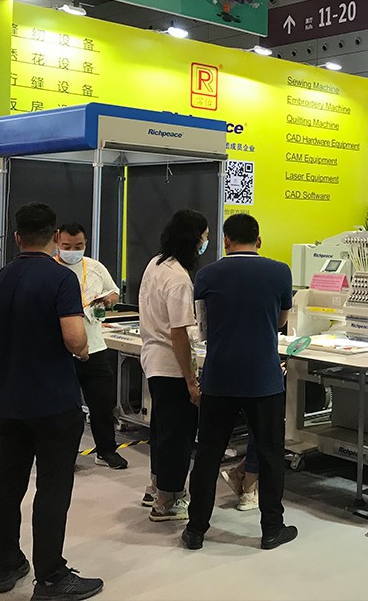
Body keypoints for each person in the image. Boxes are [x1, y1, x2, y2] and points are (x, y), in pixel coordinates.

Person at [0, 203, 103, 600]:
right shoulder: (61, 279)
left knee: (8, 483)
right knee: (53, 487)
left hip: (11, 401)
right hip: (55, 401)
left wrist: (12, 350)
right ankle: (52, 577)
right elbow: (74, 338)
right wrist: (81, 351)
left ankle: (7, 565)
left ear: (16, 236)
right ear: (54, 236)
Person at [182, 214, 297, 551]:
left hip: (220, 377)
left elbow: (202, 326)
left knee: (208, 454)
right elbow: (281, 320)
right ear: (259, 241)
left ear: (225, 241)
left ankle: (196, 529)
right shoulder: (280, 272)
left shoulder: (207, 275)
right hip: (264, 378)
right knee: (271, 454)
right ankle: (272, 529)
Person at [139, 210, 207, 522]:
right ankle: (168, 500)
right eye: (204, 237)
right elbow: (179, 333)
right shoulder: (179, 278)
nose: (205, 243)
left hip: (153, 360)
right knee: (177, 435)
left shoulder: (156, 264)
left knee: (161, 430)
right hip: (170, 365)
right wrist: (191, 379)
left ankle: (157, 487)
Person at [55, 223, 126, 470]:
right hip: (63, 351)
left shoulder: (94, 267)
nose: (72, 251)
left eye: (78, 246)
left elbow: (114, 292)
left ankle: (106, 451)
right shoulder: (51, 269)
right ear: (57, 242)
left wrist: (108, 300)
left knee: (102, 403)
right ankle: (64, 455)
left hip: (95, 347)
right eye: (67, 246)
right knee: (65, 408)